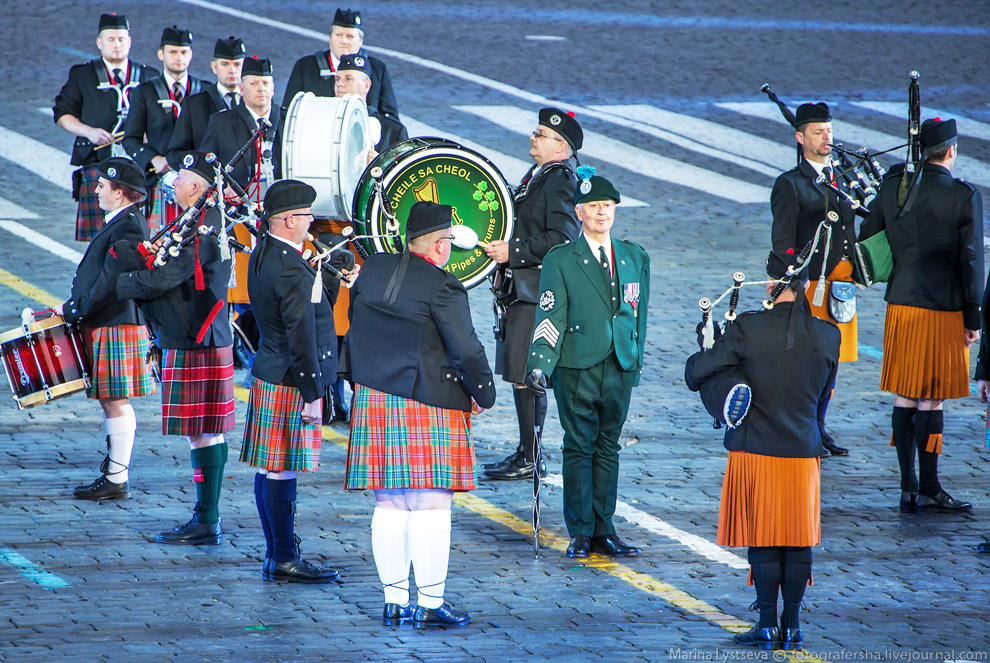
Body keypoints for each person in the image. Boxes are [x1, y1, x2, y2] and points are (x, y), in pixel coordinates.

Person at [342, 201, 496, 626]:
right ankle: (429, 605)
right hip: (428, 398)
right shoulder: (443, 285)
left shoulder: (372, 269)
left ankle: (393, 600)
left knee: (389, 502)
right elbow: (464, 348)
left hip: (374, 397)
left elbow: (355, 323)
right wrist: (484, 392)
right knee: (430, 503)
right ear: (442, 243)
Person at [685, 249, 841, 651]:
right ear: (805, 286)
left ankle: (767, 624)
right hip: (803, 451)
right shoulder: (829, 335)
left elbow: (698, 372)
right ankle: (793, 626)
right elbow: (824, 395)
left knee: (765, 538)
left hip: (756, 447)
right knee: (797, 538)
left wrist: (704, 346)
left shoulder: (748, 329)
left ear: (771, 285)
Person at [860, 118, 984, 514]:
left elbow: (869, 237)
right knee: (932, 400)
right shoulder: (964, 195)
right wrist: (974, 317)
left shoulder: (893, 188)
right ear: (950, 151)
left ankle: (907, 487)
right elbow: (971, 261)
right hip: (944, 308)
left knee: (906, 394)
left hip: (901, 304)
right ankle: (929, 485)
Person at [525, 170, 649, 559]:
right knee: (580, 446)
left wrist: (635, 361)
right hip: (577, 365)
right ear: (578, 212)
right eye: (594, 206)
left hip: (618, 365)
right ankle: (580, 530)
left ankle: (604, 528)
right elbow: (550, 315)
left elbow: (638, 316)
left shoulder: (634, 257)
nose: (601, 213)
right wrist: (540, 363)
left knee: (608, 446)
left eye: (607, 206)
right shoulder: (561, 260)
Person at [115, 150, 235, 545]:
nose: (174, 181)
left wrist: (124, 284)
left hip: (196, 336)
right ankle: (207, 517)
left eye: (181, 176)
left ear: (197, 187)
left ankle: (207, 519)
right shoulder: (193, 219)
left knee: (202, 433)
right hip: (192, 335)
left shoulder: (204, 224)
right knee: (204, 433)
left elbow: (172, 273)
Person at [241, 180, 353, 583]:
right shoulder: (289, 267)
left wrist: (327, 273)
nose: (312, 222)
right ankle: (284, 556)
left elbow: (308, 299)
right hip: (290, 379)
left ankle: (277, 553)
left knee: (270, 468)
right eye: (307, 216)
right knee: (283, 470)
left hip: (271, 372)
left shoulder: (268, 253)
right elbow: (300, 334)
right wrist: (313, 394)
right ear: (289, 219)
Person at [482, 107, 582, 481]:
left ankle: (532, 455)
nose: (532, 137)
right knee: (520, 373)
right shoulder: (540, 175)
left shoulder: (559, 180)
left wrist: (514, 251)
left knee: (528, 372)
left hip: (537, 290)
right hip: (523, 289)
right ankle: (527, 451)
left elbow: (563, 237)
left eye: (540, 134)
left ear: (561, 146)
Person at [55, 157, 156, 500]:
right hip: (108, 321)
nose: (96, 190)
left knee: (115, 399)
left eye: (102, 186)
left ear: (120, 192)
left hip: (115, 322)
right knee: (110, 399)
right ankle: (115, 472)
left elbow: (109, 283)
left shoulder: (128, 226)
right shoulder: (123, 220)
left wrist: (76, 309)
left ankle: (117, 476)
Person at [770, 102, 857, 457]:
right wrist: (794, 282)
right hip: (810, 282)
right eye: (818, 132)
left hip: (839, 282)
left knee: (832, 359)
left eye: (829, 131)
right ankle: (803, 426)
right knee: (809, 358)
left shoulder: (844, 178)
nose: (827, 138)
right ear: (800, 137)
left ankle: (819, 425)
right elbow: (782, 240)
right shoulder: (790, 184)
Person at [53, 13, 156, 242]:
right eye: (110, 39)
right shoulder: (82, 75)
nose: (117, 45)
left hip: (139, 170)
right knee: (99, 239)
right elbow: (62, 114)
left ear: (129, 41)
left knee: (139, 235)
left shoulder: (149, 76)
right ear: (99, 42)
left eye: (121, 39)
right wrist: (88, 132)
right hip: (97, 164)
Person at [122, 26, 202, 234]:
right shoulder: (145, 92)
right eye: (172, 52)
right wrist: (154, 159)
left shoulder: (204, 90)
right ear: (161, 54)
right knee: (160, 241)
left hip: (197, 181)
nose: (179, 57)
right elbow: (131, 139)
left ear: (191, 55)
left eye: (184, 52)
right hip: (159, 180)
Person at [282, 8, 398, 119]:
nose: (344, 41)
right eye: (338, 35)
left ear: (360, 41)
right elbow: (288, 110)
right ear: (330, 37)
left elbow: (390, 118)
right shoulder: (306, 66)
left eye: (350, 36)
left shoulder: (377, 70)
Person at [165, 36, 247, 164]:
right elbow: (175, 153)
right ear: (214, 67)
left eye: (237, 64)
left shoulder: (254, 103)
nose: (232, 70)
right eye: (225, 64)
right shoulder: (195, 105)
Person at [334, 53, 407, 154]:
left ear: (366, 86)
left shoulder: (392, 131)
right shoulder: (325, 123)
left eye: (348, 79)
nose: (340, 84)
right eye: (337, 79)